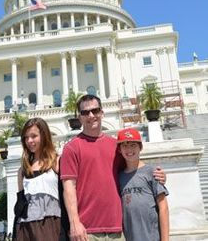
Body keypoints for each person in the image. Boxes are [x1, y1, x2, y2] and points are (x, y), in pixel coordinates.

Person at [60, 94, 166, 241]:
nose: (91, 115)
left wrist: (157, 175)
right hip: (86, 231)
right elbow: (69, 187)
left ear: (102, 113)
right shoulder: (71, 148)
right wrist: (74, 223)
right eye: (85, 112)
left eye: (95, 111)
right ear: (80, 117)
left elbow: (133, 169)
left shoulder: (115, 146)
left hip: (117, 231)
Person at [117, 127, 169, 241]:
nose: (129, 149)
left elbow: (163, 207)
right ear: (119, 149)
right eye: (124, 145)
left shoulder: (152, 173)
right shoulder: (119, 177)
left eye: (133, 145)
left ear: (140, 147)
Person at [13, 117, 61, 241]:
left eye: (34, 136)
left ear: (44, 136)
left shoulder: (56, 162)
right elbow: (20, 204)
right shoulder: (23, 170)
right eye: (26, 137)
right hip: (26, 229)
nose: (29, 140)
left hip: (51, 225)